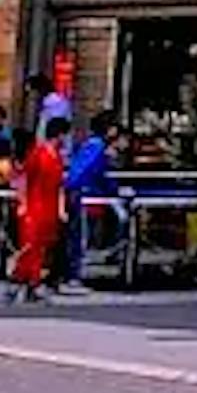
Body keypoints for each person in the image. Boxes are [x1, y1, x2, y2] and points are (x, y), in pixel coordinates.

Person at [8, 115, 68, 304]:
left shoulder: (57, 156)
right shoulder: (38, 153)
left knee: (42, 247)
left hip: (49, 206)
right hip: (35, 205)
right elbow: (25, 178)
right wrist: (23, 202)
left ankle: (28, 282)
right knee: (31, 246)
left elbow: (59, 186)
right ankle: (26, 282)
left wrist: (60, 208)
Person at [57, 114, 116, 296]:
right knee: (78, 237)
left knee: (75, 236)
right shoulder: (97, 147)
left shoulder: (90, 145)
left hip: (78, 192)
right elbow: (92, 172)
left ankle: (69, 276)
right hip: (82, 194)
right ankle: (72, 277)